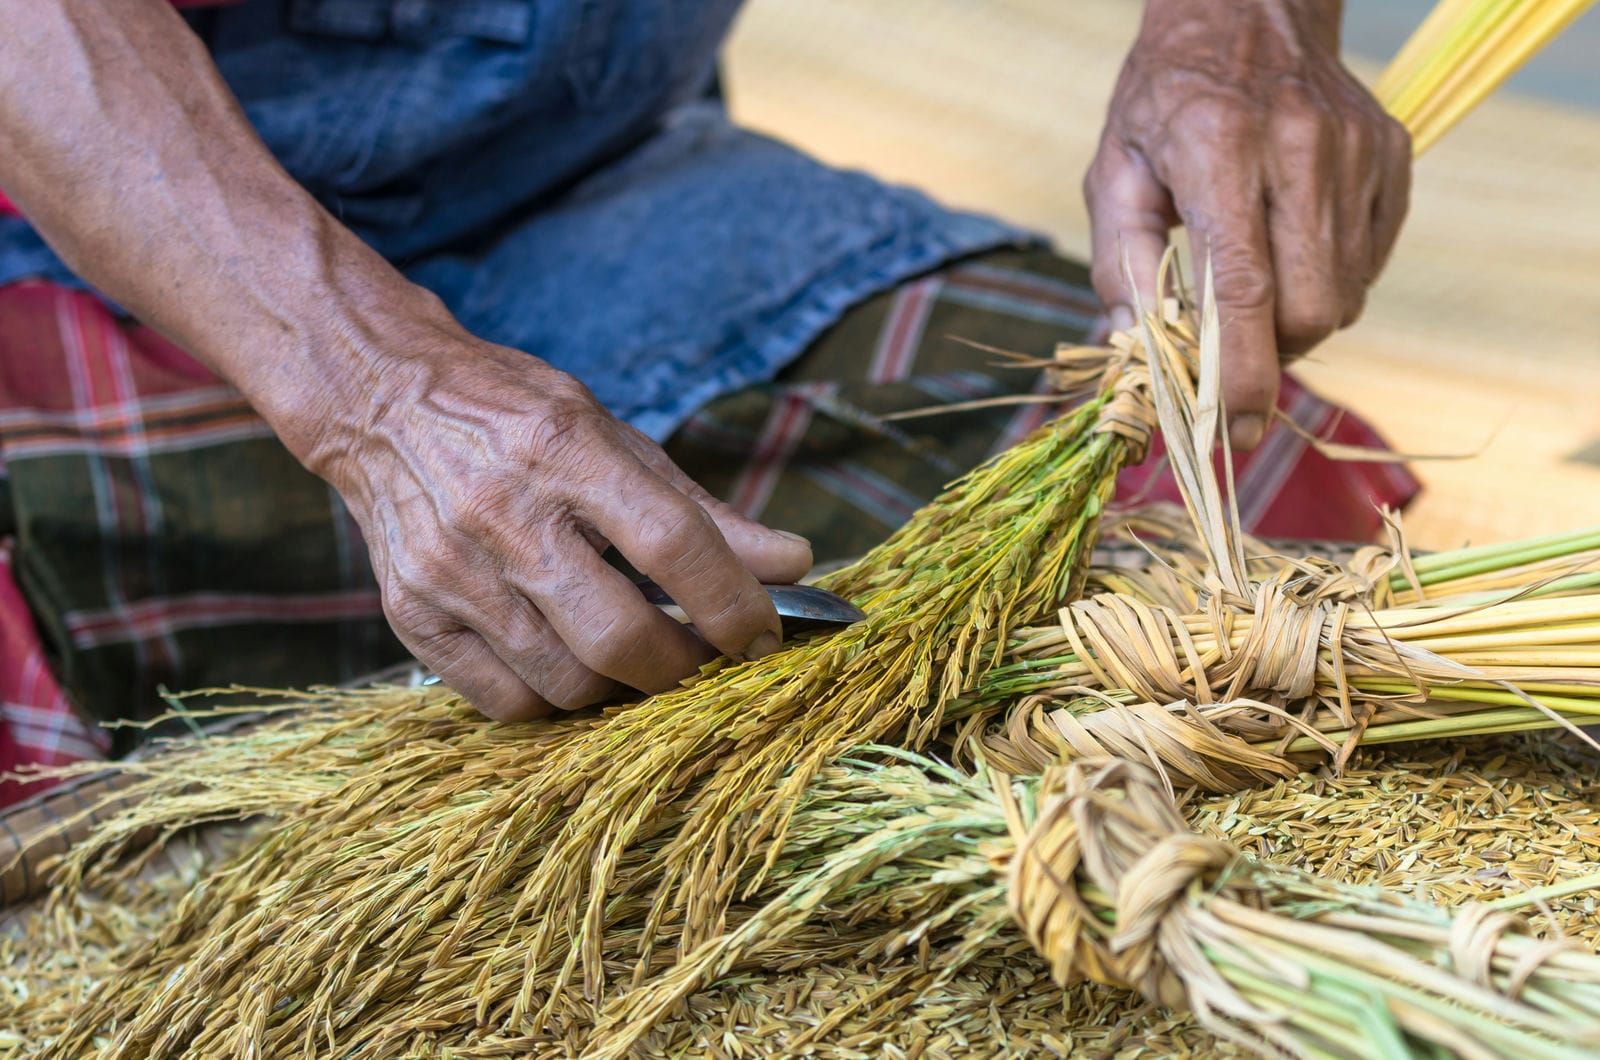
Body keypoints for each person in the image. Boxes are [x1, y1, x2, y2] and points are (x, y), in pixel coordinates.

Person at [0, 0, 1416, 791]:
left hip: (583, 185)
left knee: (1235, 479)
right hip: (80, 233)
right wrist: (375, 395)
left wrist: (1242, 25)